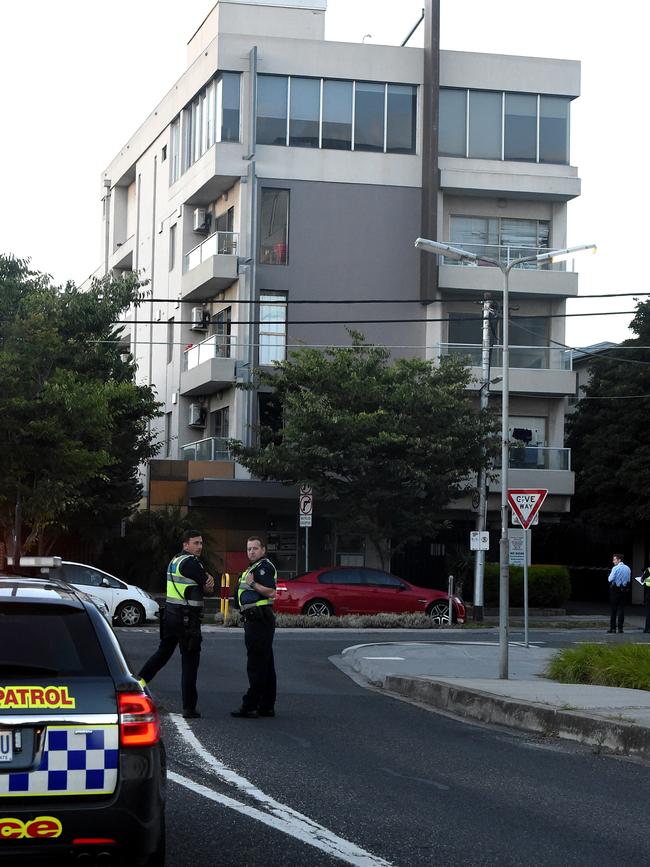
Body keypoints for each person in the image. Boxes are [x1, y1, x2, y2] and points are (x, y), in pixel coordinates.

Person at [139, 529, 214, 718]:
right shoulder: (192, 563)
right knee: (190, 662)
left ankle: (137, 685)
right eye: (195, 543)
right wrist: (209, 582)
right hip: (187, 620)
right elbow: (209, 587)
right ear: (185, 545)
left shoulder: (175, 560)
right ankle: (189, 707)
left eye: (201, 543)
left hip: (171, 616)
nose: (199, 547)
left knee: (162, 654)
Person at [231, 536, 277, 719]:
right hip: (255, 619)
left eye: (255, 548)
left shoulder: (264, 567)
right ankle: (266, 706)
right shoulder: (253, 567)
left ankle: (250, 705)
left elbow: (271, 591)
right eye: (249, 549)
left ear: (263, 550)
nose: (251, 552)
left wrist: (252, 583)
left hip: (259, 620)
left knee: (256, 664)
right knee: (265, 664)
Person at [606, 553, 631, 634]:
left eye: (614, 559)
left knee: (613, 610)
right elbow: (628, 580)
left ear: (619, 560)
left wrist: (609, 576)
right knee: (621, 610)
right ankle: (620, 629)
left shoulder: (615, 568)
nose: (613, 561)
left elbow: (610, 579)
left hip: (615, 590)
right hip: (624, 590)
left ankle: (613, 629)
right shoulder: (628, 568)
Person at [642, 565, 650, 633]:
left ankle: (647, 629)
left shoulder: (648, 570)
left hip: (649, 594)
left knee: (648, 612)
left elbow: (642, 579)